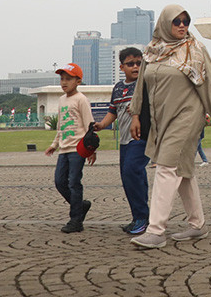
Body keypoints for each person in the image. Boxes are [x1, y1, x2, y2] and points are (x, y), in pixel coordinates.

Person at [128, 5, 211, 249]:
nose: (182, 25)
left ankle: (155, 231)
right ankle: (197, 224)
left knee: (166, 166)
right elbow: (141, 86)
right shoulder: (152, 51)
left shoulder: (194, 49)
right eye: (176, 21)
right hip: (161, 118)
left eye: (186, 21)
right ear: (165, 24)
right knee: (183, 170)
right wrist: (135, 114)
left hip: (187, 116)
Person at [94, 47, 150, 235]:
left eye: (139, 63)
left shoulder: (146, 84)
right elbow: (113, 112)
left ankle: (143, 217)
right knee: (130, 178)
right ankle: (138, 217)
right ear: (121, 67)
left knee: (131, 171)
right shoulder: (118, 88)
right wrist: (102, 125)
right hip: (125, 141)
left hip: (141, 137)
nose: (135, 67)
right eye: (130, 63)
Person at [45, 63, 95, 233]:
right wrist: (54, 144)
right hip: (64, 149)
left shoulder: (81, 99)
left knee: (74, 182)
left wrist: (91, 150)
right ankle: (81, 206)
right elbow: (60, 126)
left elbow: (89, 125)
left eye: (68, 79)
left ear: (78, 81)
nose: (64, 82)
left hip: (78, 149)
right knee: (60, 182)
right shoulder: (61, 100)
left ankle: (76, 220)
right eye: (62, 79)